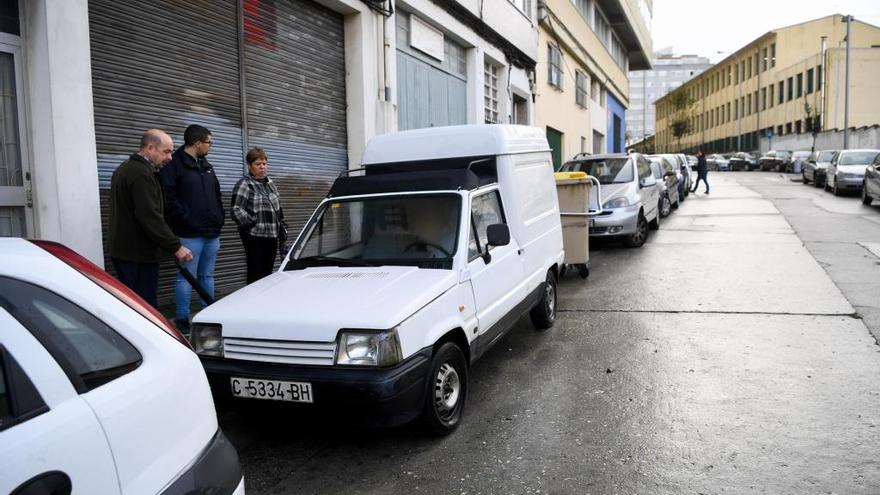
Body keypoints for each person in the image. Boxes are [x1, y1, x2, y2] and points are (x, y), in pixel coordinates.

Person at [108, 129, 192, 307]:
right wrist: (175, 246)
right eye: (166, 151)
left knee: (133, 304)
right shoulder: (140, 174)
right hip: (137, 255)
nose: (170, 157)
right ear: (150, 148)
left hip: (130, 252)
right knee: (143, 307)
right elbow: (149, 216)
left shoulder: (128, 169)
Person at [159, 124, 225, 334]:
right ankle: (182, 318)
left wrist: (219, 217)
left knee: (207, 275)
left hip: (211, 232)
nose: (210, 146)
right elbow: (169, 198)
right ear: (197, 143)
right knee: (186, 276)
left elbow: (216, 194)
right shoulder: (174, 165)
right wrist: (185, 219)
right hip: (189, 233)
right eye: (209, 143)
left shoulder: (206, 165)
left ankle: (209, 313)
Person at [231, 148, 285, 284]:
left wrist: (281, 226)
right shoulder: (245, 183)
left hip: (272, 236)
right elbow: (236, 209)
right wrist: (252, 223)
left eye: (264, 164)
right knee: (255, 273)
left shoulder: (270, 183)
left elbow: (278, 207)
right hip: (254, 237)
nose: (262, 167)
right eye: (258, 164)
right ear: (249, 166)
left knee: (268, 273)